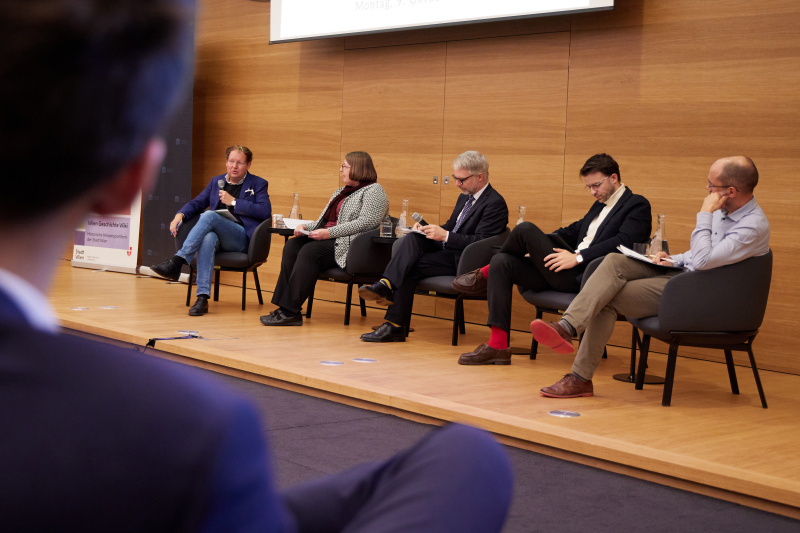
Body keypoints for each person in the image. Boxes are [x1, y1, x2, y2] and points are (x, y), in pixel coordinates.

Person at [0, 0, 515, 530]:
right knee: (471, 452)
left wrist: (273, 218)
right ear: (131, 178)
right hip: (310, 249)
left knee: (261, 240)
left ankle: (225, 284)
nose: (233, 168)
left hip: (324, 242)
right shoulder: (196, 430)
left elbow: (311, 221)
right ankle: (266, 299)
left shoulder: (283, 190)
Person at [532, 156, 769, 398]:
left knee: (605, 297)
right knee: (613, 261)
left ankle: (579, 376)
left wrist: (705, 214)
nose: (708, 191)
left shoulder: (752, 226)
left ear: (731, 191)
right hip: (685, 278)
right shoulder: (724, 210)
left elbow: (703, 261)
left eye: (712, 186)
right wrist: (673, 259)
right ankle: (567, 328)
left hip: (705, 296)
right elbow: (699, 254)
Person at [453, 153, 652, 365]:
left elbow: (624, 242)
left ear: (613, 178)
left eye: (596, 185)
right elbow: (572, 231)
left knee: (525, 228)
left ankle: (483, 273)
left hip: (586, 277)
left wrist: (578, 257)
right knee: (503, 263)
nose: (593, 192)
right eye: (589, 187)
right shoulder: (599, 204)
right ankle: (498, 345)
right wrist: (536, 246)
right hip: (562, 269)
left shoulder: (637, 205)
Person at [359, 151, 509, 342]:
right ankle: (386, 288)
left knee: (408, 267)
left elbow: (480, 243)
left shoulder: (495, 203)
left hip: (465, 262)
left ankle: (393, 323)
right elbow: (453, 227)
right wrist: (428, 230)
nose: (456, 184)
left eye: (461, 179)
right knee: (413, 238)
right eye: (455, 178)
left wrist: (445, 235)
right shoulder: (465, 197)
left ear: (480, 176)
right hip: (448, 253)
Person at [261, 151, 389, 326]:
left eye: (344, 166)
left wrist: (329, 233)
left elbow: (366, 223)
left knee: (310, 251)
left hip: (352, 246)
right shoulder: (342, 192)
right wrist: (305, 227)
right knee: (293, 245)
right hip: (332, 239)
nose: (341, 169)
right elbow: (325, 221)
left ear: (358, 168)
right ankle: (284, 307)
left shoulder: (375, 191)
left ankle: (290, 311)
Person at [150, 144, 270, 316]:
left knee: (209, 216)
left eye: (240, 163)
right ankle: (202, 298)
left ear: (248, 165)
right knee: (208, 238)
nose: (234, 166)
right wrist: (180, 215)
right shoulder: (216, 182)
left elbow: (265, 211)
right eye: (231, 161)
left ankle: (178, 261)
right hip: (219, 238)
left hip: (240, 239)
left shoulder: (258, 184)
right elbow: (197, 202)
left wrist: (235, 202)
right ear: (226, 162)